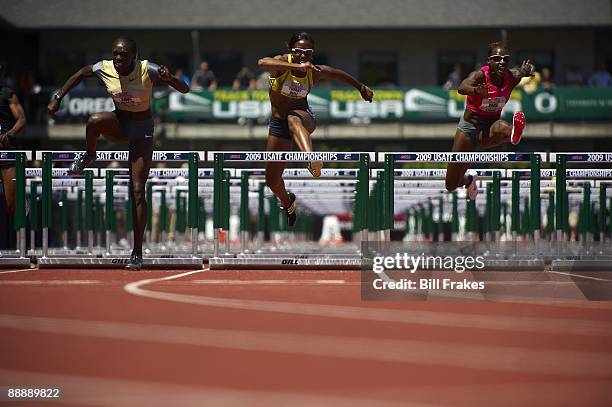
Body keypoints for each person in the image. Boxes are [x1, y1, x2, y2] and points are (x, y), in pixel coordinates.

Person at [47, 37, 189, 270]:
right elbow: (80, 74)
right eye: (115, 54)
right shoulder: (105, 68)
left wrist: (170, 78)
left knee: (137, 191)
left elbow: (185, 89)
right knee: (94, 121)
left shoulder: (148, 70)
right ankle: (89, 154)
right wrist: (58, 97)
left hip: (142, 130)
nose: (118, 59)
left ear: (134, 55)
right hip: (120, 125)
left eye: (123, 55)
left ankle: (137, 252)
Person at [258, 31, 373, 226]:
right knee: (272, 181)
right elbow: (262, 63)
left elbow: (338, 74)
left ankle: (311, 158)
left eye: (308, 53)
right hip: (278, 123)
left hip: (304, 117)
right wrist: (295, 65)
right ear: (290, 50)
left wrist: (361, 87)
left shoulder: (314, 71)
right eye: (298, 51)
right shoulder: (280, 64)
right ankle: (288, 202)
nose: (303, 56)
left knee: (293, 120)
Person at [445, 41, 534, 199]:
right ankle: (469, 180)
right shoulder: (479, 76)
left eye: (505, 59)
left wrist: (526, 70)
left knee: (500, 126)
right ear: (489, 61)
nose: (502, 62)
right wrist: (476, 90)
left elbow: (521, 71)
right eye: (497, 58)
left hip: (489, 129)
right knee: (451, 184)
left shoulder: (512, 77)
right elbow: (461, 87)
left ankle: (514, 134)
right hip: (469, 128)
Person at [0, 61, 27, 220]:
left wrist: (8, 135)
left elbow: (22, 120)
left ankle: (23, 201)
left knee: (12, 207)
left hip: (8, 153)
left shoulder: (7, 94)